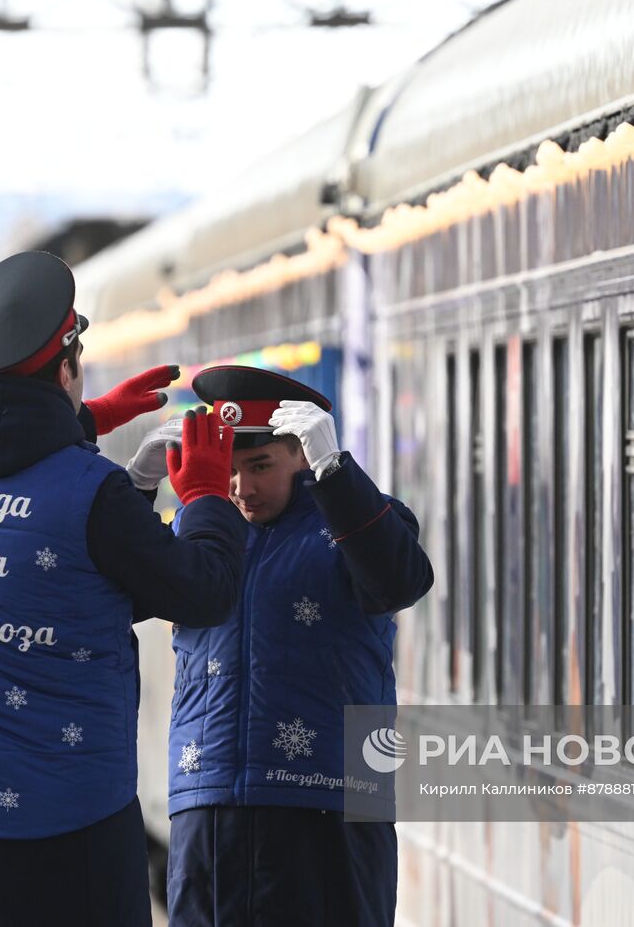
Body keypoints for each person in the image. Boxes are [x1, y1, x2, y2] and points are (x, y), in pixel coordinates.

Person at [0, 250, 245, 927]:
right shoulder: (94, 498)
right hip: (67, 827)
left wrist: (78, 423)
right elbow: (204, 592)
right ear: (65, 367)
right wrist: (202, 493)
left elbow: (0, 482)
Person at [129, 366, 434, 926]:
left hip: (333, 802)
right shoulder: (204, 531)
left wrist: (336, 473)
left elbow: (400, 581)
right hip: (210, 798)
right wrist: (139, 489)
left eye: (260, 466)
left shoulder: (358, 519)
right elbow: (112, 595)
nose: (242, 488)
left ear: (300, 452)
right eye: (231, 472)